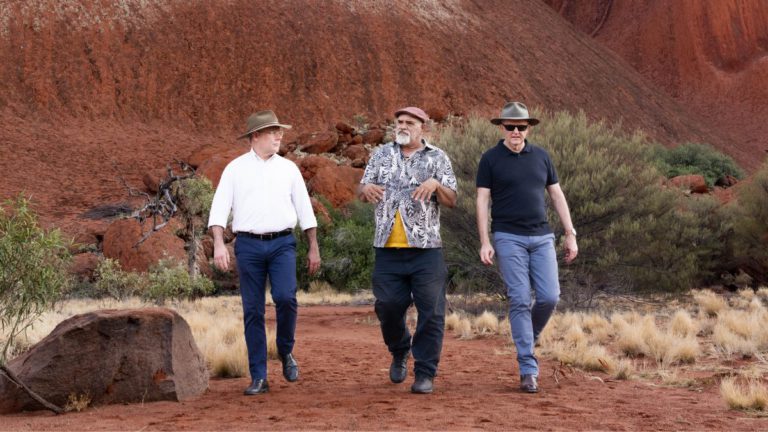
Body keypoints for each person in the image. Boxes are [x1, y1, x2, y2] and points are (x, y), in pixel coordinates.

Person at [208, 110, 321, 395]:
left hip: (283, 243)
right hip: (248, 245)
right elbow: (219, 209)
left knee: (285, 298)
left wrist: (313, 248)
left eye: (280, 131)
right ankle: (259, 376)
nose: (279, 136)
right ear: (255, 136)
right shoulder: (234, 169)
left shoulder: (289, 169)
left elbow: (305, 211)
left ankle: (285, 350)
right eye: (273, 131)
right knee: (253, 311)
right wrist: (220, 244)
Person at [476, 101, 578, 394]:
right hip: (508, 237)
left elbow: (557, 196)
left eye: (521, 127)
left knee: (549, 296)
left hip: (542, 237)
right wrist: (485, 241)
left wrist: (570, 234)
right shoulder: (490, 159)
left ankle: (525, 338)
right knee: (520, 299)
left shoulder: (542, 157)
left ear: (528, 128)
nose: (516, 132)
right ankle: (528, 368)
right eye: (510, 127)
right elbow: (482, 200)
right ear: (502, 128)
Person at [358, 106, 457, 394]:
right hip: (387, 249)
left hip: (426, 250)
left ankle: (425, 372)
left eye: (409, 122)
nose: (402, 126)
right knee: (387, 308)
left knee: (432, 312)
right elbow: (363, 186)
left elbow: (452, 199)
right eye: (399, 122)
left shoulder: (437, 157)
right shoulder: (381, 155)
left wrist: (436, 183)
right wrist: (364, 190)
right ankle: (400, 349)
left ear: (422, 127)